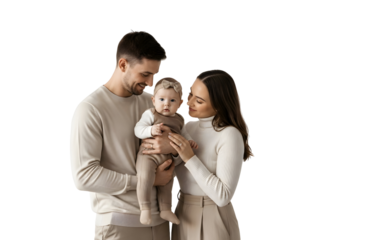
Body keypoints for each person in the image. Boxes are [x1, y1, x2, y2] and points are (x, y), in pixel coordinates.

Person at [68, 30, 180, 240]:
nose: (150, 83)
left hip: (162, 223)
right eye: (145, 74)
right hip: (119, 226)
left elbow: (179, 150)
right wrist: (147, 181)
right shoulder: (90, 109)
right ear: (122, 65)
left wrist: (172, 147)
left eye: (154, 75)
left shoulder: (153, 102)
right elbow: (83, 177)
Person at [141, 69, 257, 240]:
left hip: (213, 216)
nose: (188, 102)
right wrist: (171, 152)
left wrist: (189, 157)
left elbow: (223, 196)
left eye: (199, 100)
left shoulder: (229, 135)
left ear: (218, 105)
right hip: (181, 211)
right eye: (189, 94)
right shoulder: (187, 128)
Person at [134, 77, 198, 225]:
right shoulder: (151, 114)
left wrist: (189, 142)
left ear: (181, 103)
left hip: (167, 157)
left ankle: (166, 209)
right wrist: (150, 130)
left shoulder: (180, 120)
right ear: (153, 100)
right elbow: (138, 130)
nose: (166, 104)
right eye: (161, 99)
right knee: (144, 177)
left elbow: (184, 135)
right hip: (148, 155)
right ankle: (145, 208)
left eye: (172, 101)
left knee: (168, 183)